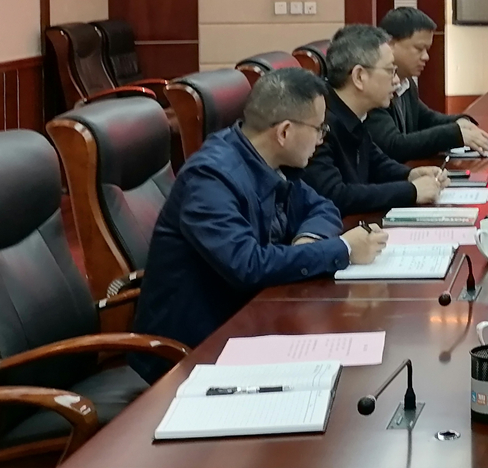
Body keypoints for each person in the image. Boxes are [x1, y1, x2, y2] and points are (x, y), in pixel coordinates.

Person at [131, 68, 389, 382]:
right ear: (284, 132)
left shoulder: (270, 160)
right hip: (188, 355)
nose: (323, 138)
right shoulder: (211, 179)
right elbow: (248, 265)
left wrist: (309, 242)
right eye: (319, 128)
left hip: (248, 323)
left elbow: (323, 207)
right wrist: (343, 249)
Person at [300, 25, 448, 216]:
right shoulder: (318, 121)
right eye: (390, 71)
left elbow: (376, 161)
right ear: (359, 76)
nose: (396, 80)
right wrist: (411, 191)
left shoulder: (355, 112)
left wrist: (410, 174)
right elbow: (335, 195)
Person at [367, 7, 488, 161]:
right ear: (390, 44)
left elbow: (426, 119)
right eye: (419, 49)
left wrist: (461, 122)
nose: (426, 57)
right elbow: (394, 145)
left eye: (427, 50)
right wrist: (454, 134)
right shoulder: (373, 88)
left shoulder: (406, 83)